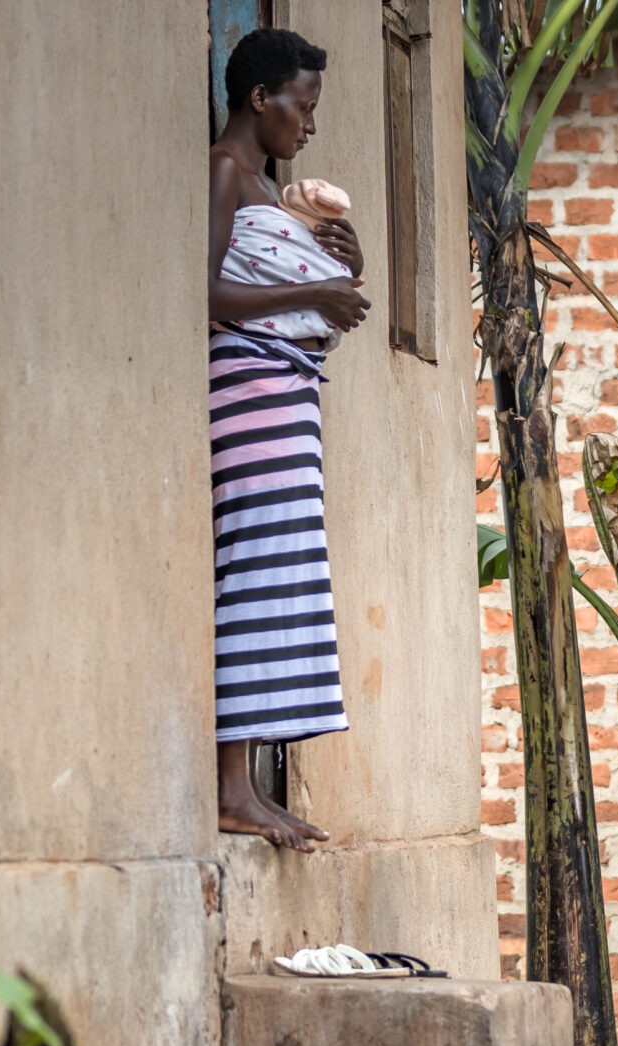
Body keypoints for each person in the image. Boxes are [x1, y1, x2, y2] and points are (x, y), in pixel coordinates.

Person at [207, 28, 368, 851]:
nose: (308, 125)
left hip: (289, 397)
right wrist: (315, 292)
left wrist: (344, 263)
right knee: (250, 578)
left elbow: (312, 288)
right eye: (301, 107)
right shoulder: (225, 173)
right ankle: (234, 790)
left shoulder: (275, 194)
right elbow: (205, 291)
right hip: (249, 392)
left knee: (282, 583)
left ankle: (250, 788)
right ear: (258, 98)